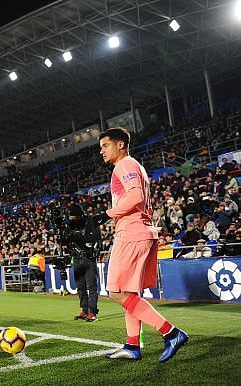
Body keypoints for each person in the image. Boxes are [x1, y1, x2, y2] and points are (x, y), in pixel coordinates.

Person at [99, 127, 188, 363]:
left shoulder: (124, 164)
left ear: (120, 144)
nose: (102, 151)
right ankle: (132, 345)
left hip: (131, 232)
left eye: (105, 145)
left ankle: (172, 333)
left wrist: (107, 213)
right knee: (129, 293)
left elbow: (136, 196)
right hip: (142, 231)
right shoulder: (136, 166)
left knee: (116, 293)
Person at [63, 203, 101, 322]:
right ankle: (84, 311)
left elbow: (96, 239)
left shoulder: (90, 222)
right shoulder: (71, 226)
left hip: (89, 259)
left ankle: (93, 312)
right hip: (77, 259)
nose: (71, 218)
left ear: (78, 215)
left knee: (91, 286)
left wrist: (93, 251)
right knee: (80, 287)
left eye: (73, 216)